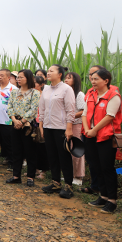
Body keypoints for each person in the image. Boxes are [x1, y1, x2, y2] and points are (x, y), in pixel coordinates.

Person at [81, 68, 122, 214]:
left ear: (106, 81)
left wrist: (94, 130)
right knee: (96, 166)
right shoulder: (91, 94)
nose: (93, 82)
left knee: (107, 168)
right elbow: (85, 114)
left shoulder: (113, 95)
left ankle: (112, 200)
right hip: (90, 135)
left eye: (96, 79)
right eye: (92, 79)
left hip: (106, 137)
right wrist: (87, 130)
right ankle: (103, 196)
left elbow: (109, 116)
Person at [38, 64, 76, 199]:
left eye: (51, 71)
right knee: (52, 156)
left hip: (61, 128)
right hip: (48, 127)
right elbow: (41, 108)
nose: (48, 73)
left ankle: (68, 186)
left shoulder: (66, 89)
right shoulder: (46, 89)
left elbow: (70, 109)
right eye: (47, 71)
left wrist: (69, 128)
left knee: (63, 156)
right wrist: (41, 125)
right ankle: (55, 182)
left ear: (60, 74)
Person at [6, 70, 41, 186]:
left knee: (30, 152)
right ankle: (16, 176)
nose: (18, 79)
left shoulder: (34, 93)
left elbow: (34, 109)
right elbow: (9, 107)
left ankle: (30, 177)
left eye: (21, 77)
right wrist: (15, 120)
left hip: (28, 126)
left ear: (28, 78)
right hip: (15, 124)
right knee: (16, 151)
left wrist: (22, 121)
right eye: (18, 77)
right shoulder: (14, 92)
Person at [64, 71, 86, 186]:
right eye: (65, 78)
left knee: (76, 150)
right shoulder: (65, 93)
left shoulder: (79, 94)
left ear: (75, 80)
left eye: (69, 78)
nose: (66, 80)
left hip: (76, 124)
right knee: (67, 149)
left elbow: (83, 111)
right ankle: (70, 174)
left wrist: (70, 116)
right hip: (65, 124)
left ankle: (78, 176)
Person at [0, 69, 15, 167]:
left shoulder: (14, 89)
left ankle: (11, 162)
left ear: (8, 77)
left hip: (7, 121)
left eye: (2, 75)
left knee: (8, 143)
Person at [34, 74, 47, 179]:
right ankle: (36, 168)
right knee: (34, 147)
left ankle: (44, 170)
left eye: (35, 83)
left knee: (42, 147)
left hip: (41, 123)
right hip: (32, 123)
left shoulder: (44, 95)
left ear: (42, 84)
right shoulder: (31, 94)